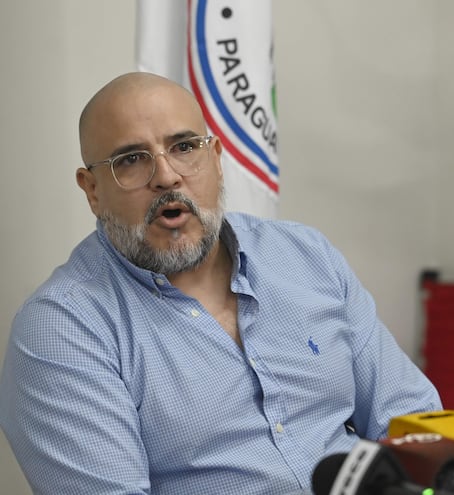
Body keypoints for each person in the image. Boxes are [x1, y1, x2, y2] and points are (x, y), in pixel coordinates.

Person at [0, 72, 442, 495]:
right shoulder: (61, 331)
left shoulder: (305, 255)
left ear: (215, 158)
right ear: (92, 190)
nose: (166, 176)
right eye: (131, 159)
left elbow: (413, 421)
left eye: (184, 147)